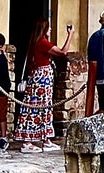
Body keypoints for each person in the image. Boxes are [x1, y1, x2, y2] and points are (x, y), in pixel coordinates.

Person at [16, 17, 72, 149]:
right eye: (49, 27)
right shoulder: (42, 43)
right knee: (36, 107)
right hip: (41, 80)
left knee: (43, 107)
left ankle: (45, 139)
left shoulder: (36, 42)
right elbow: (62, 52)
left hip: (39, 78)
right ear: (44, 29)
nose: (51, 29)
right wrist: (70, 35)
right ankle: (28, 141)